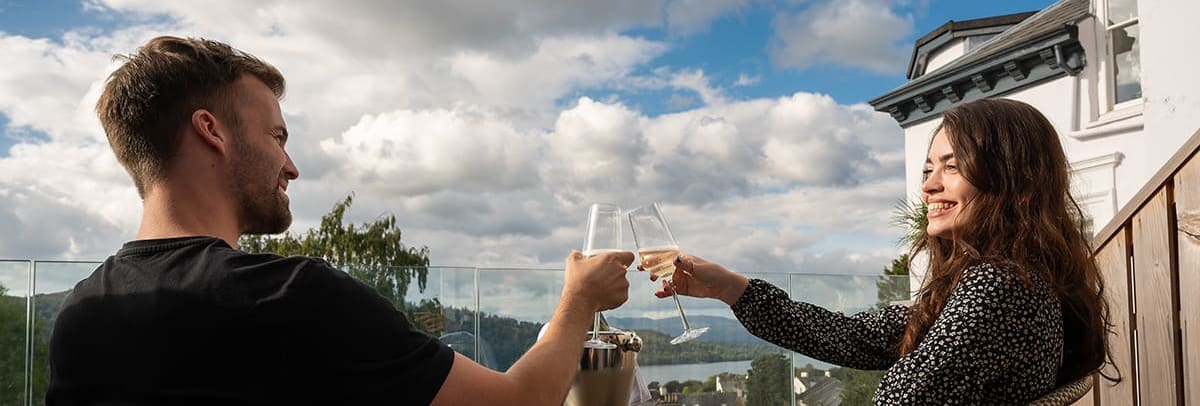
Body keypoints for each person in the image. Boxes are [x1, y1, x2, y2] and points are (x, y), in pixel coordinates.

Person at [46, 36, 634, 406]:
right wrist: (578, 302)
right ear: (212, 131)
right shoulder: (286, 295)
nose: (292, 167)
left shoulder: (80, 316)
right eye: (278, 137)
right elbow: (517, 403)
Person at [652, 98, 1112, 404]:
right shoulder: (1015, 280)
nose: (929, 185)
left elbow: (901, 398)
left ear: (1011, 180)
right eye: (929, 168)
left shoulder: (1000, 286)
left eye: (952, 168)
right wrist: (733, 289)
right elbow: (855, 336)